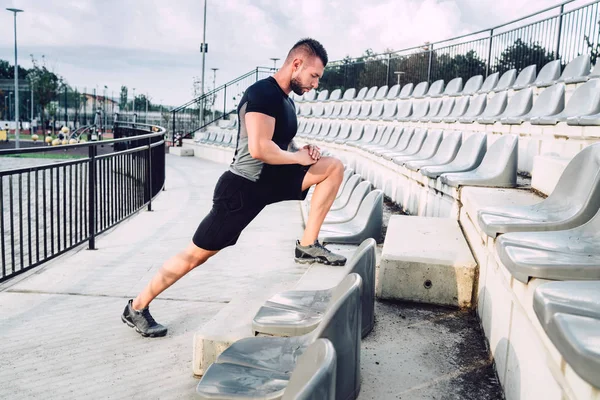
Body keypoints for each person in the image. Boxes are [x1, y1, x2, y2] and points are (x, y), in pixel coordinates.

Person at [122, 38, 346, 337]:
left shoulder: (287, 101)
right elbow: (259, 149)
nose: (316, 84)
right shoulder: (262, 93)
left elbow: (280, 145)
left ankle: (308, 245)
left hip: (274, 180)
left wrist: (302, 151)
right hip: (243, 189)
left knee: (333, 167)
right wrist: (296, 157)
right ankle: (137, 306)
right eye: (314, 76)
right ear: (297, 64)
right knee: (196, 255)